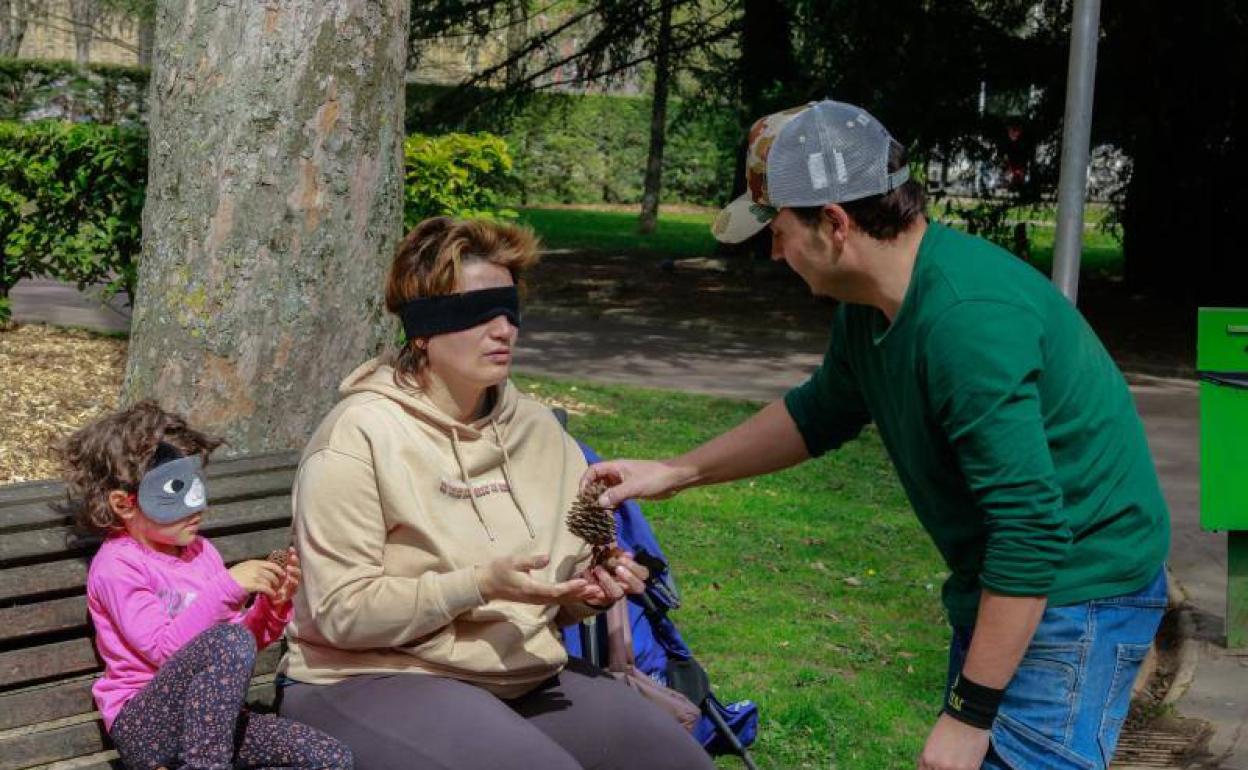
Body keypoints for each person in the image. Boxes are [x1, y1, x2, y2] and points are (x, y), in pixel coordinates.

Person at [584, 100, 1170, 770]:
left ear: (835, 224)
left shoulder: (967, 323)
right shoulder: (872, 306)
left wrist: (967, 714)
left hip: (1075, 591)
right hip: (1006, 584)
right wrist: (676, 471)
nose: (772, 250)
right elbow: (820, 412)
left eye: (778, 229)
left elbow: (1031, 531)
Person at [277, 217, 716, 770]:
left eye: (509, 309)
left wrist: (590, 591)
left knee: (677, 761)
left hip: (516, 674)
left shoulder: (538, 431)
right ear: (423, 328)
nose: (503, 329)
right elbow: (342, 614)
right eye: (479, 311)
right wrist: (477, 585)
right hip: (367, 675)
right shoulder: (358, 436)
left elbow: (553, 592)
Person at [63, 401, 352, 770]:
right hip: (145, 724)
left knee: (330, 758)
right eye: (176, 489)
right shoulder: (118, 565)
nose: (197, 505)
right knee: (227, 642)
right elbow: (164, 650)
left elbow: (239, 644)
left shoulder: (201, 552)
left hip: (210, 722)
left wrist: (271, 607)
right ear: (124, 504)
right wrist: (228, 587)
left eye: (195, 482)